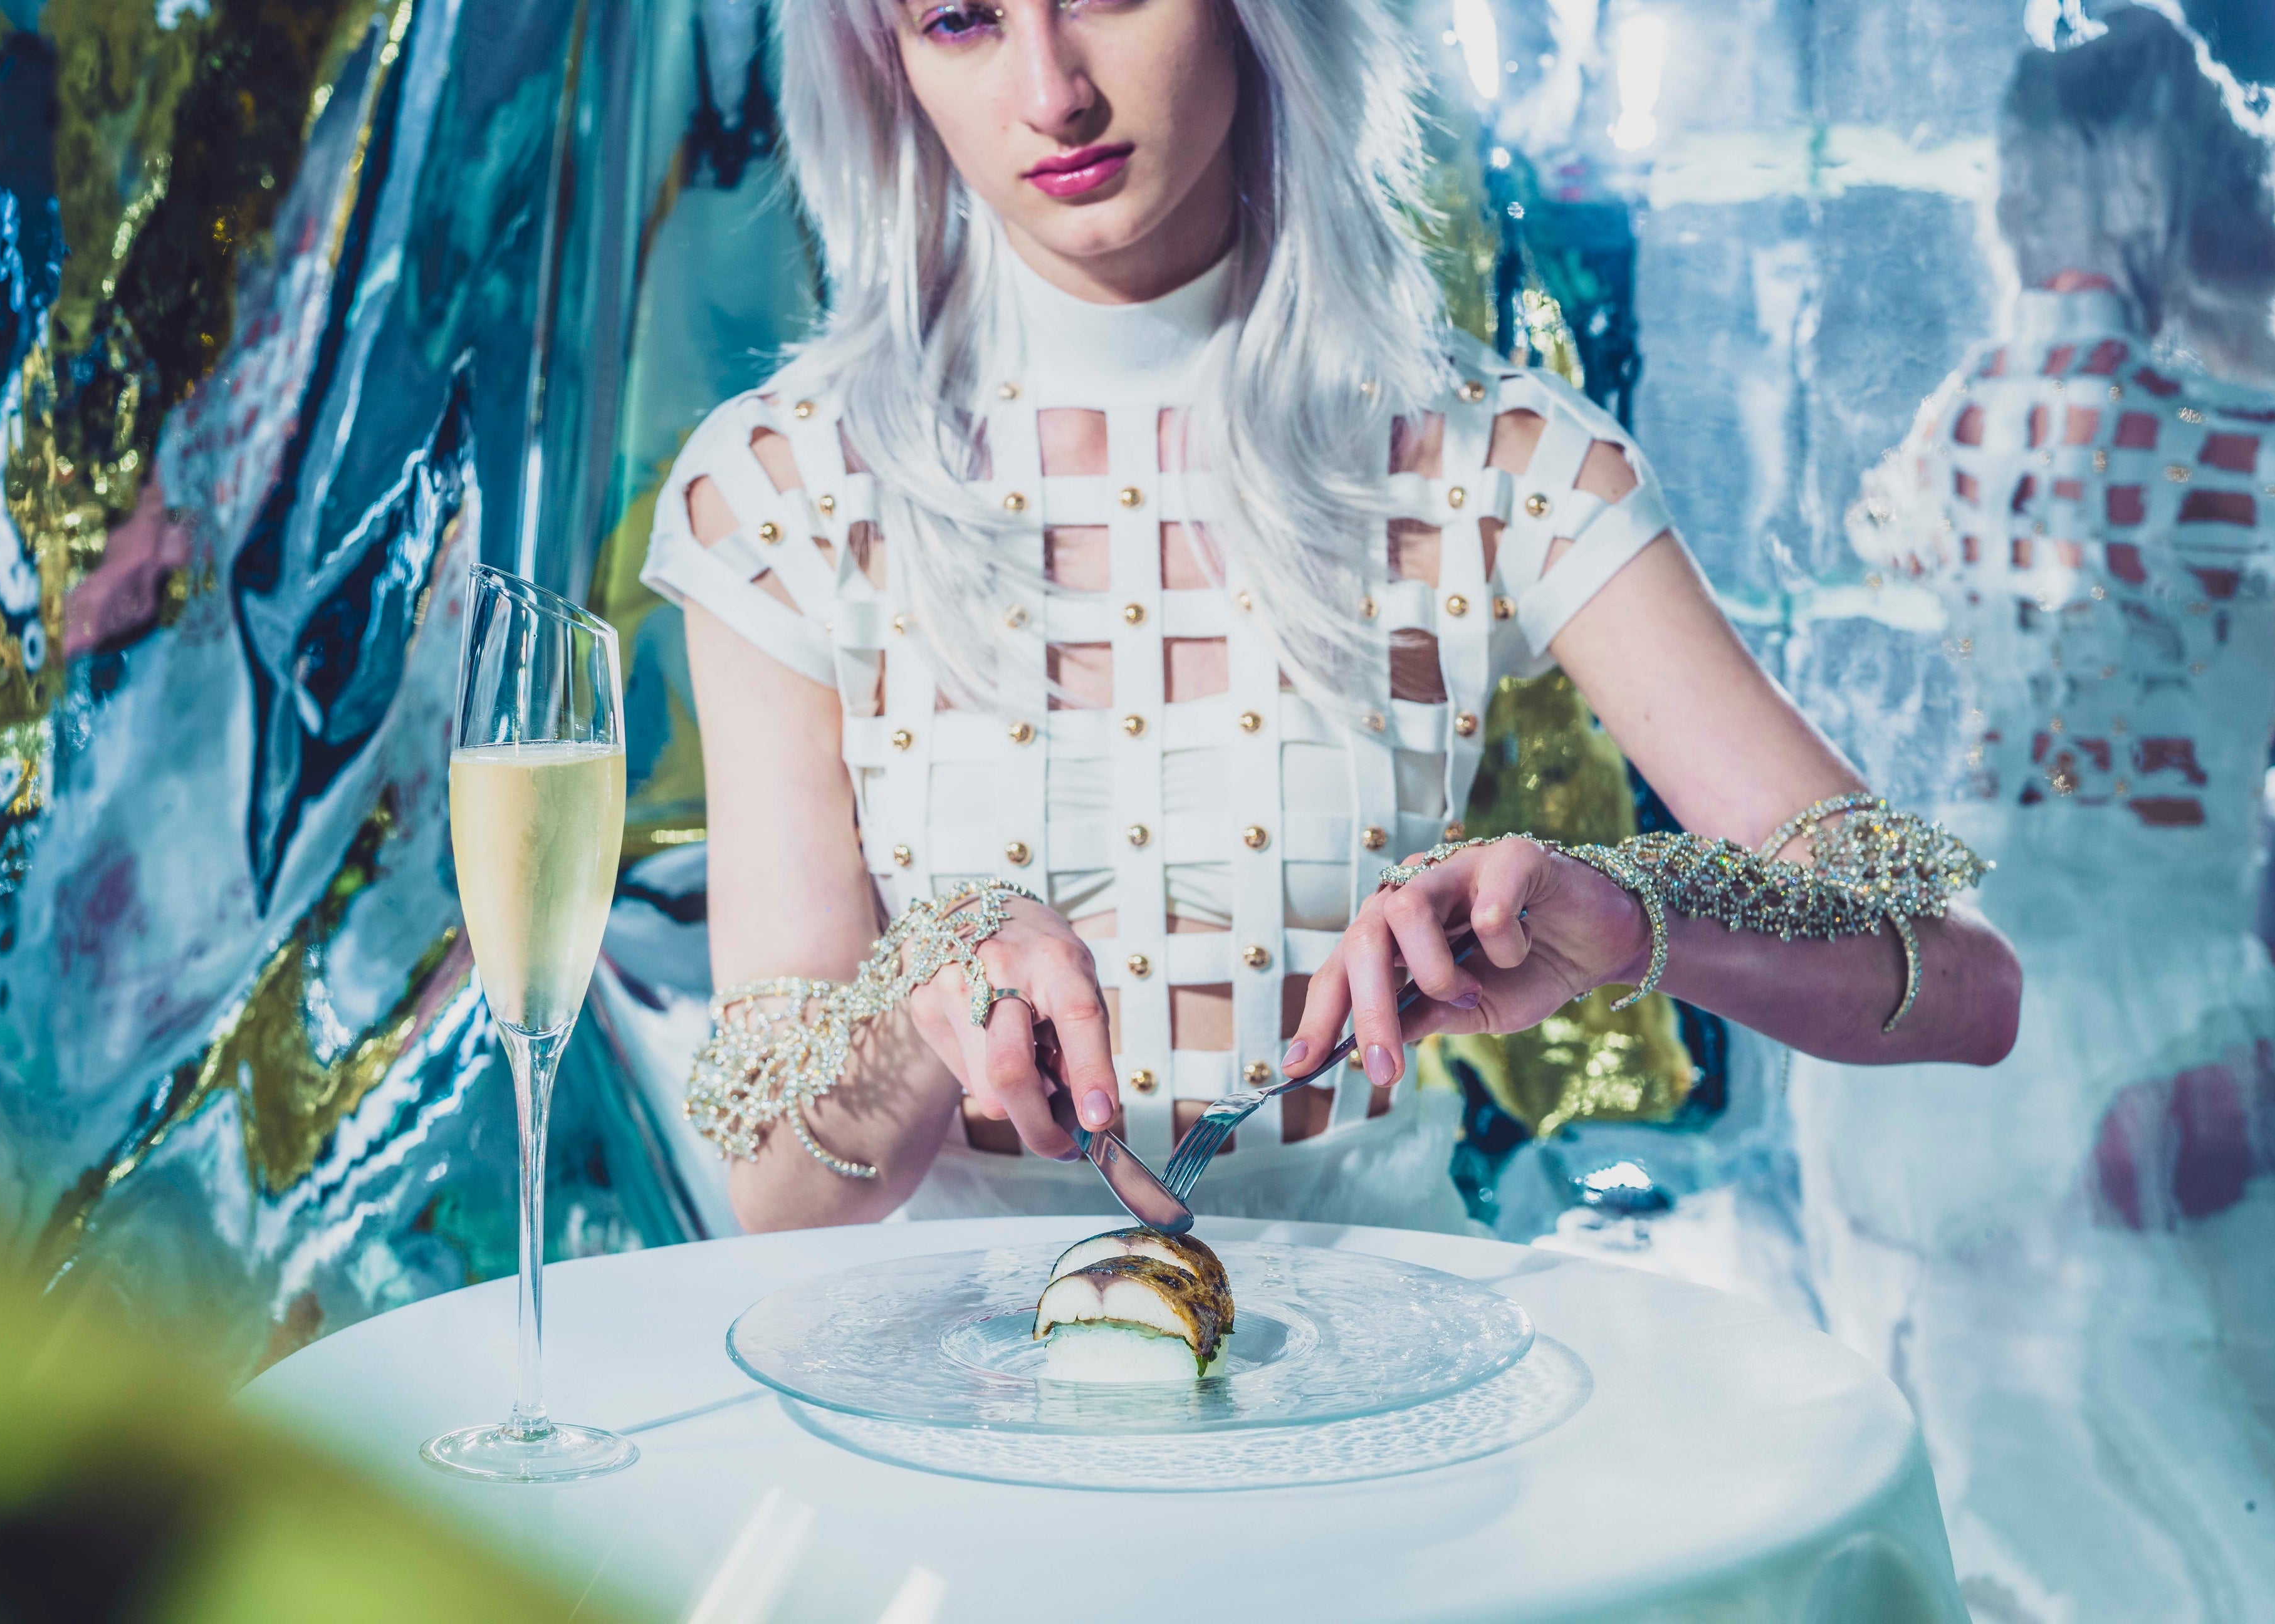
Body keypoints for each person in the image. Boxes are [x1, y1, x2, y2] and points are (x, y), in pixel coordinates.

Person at [646, 0, 2019, 1236]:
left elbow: (1969, 989)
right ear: (880, 61)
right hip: (943, 1380)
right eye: (960, 19)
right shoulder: (783, 488)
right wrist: (927, 987)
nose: (1053, 92)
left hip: (1391, 1360)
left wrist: (1634, 915)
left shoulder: (1492, 458)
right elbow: (777, 1196)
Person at [1760, 9, 2275, 1617]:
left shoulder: (1962, 428)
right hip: (2154, 992)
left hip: (2005, 987)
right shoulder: (2266, 451)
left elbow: (1904, 565)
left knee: (2027, 1442)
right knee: (2174, 1457)